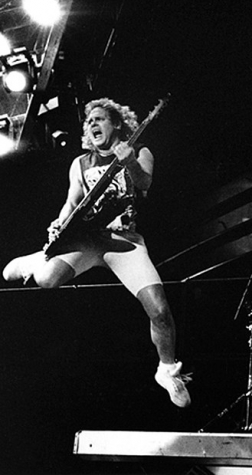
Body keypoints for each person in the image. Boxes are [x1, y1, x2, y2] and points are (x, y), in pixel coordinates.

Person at [2, 98, 191, 408]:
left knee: (160, 311)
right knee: (47, 280)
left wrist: (129, 162)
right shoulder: (80, 163)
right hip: (89, 240)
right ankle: (39, 259)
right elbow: (71, 201)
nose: (92, 125)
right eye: (88, 122)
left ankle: (167, 370)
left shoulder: (140, 151)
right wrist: (59, 224)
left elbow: (144, 182)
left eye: (99, 119)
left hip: (125, 241)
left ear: (115, 123)